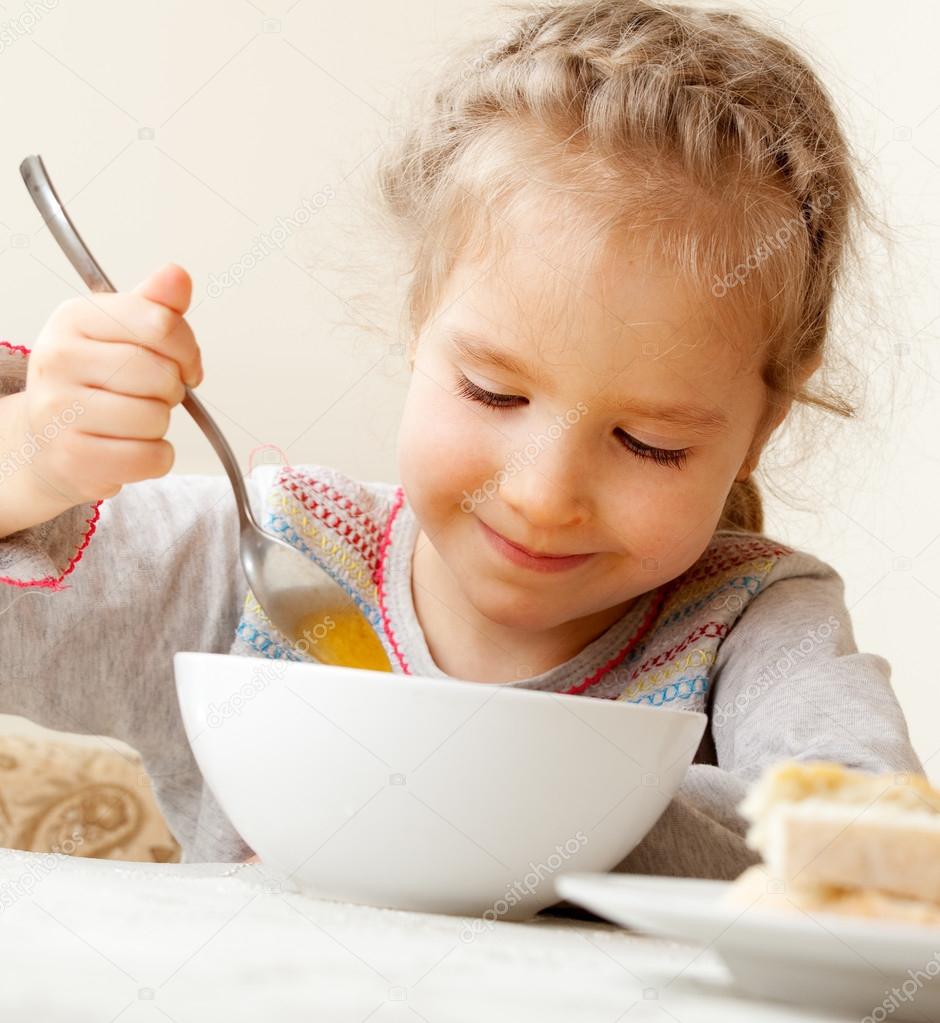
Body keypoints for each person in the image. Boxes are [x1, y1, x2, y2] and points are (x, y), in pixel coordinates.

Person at [0, 0, 923, 892]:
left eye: (649, 444)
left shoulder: (752, 621)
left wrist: (469, 779)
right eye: (495, 391)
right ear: (418, 329)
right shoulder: (268, 560)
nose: (543, 494)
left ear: (761, 431)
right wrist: (31, 458)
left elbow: (869, 846)